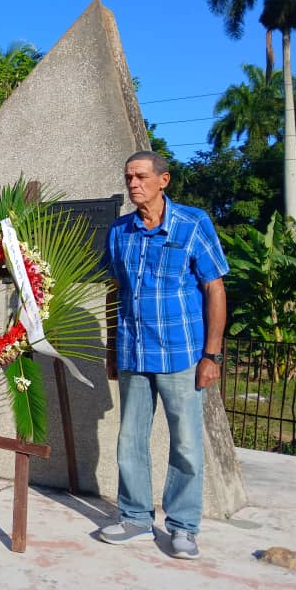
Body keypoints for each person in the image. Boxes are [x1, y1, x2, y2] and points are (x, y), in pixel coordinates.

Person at [98, 151, 228, 560]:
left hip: (183, 354)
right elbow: (113, 291)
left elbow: (215, 290)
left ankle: (183, 527)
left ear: (163, 180)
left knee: (187, 444)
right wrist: (112, 349)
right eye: (128, 177)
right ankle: (135, 517)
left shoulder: (192, 224)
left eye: (140, 176)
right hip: (135, 352)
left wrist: (212, 355)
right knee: (130, 440)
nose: (133, 183)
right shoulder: (120, 231)